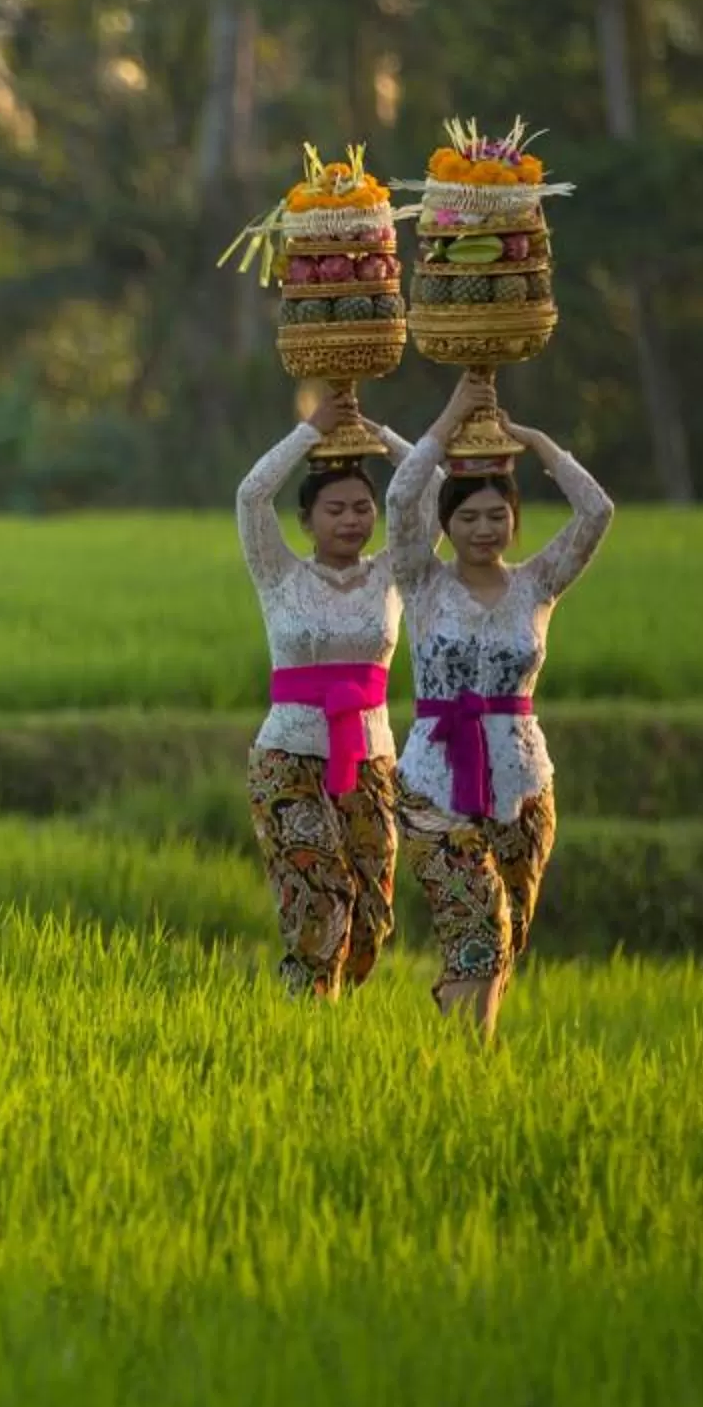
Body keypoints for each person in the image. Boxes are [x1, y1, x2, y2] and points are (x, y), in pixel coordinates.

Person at [386, 374, 616, 1040]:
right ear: (446, 524)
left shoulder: (538, 583)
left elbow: (596, 512)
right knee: (479, 920)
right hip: (434, 782)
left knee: (506, 935)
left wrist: (538, 444)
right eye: (467, 517)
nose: (483, 529)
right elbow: (400, 498)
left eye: (495, 516)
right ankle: (469, 1060)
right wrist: (449, 419)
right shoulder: (421, 582)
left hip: (523, 785)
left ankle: (465, 1053)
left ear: (514, 520)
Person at [236, 393, 416, 999]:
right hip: (289, 758)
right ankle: (304, 1021)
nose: (351, 520)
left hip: (370, 760)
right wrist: (309, 432)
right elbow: (251, 495)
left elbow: (437, 491)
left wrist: (379, 434)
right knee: (322, 898)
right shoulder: (279, 574)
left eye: (363, 508)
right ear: (306, 522)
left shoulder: (393, 574)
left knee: (370, 917)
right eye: (335, 510)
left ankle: (332, 1019)